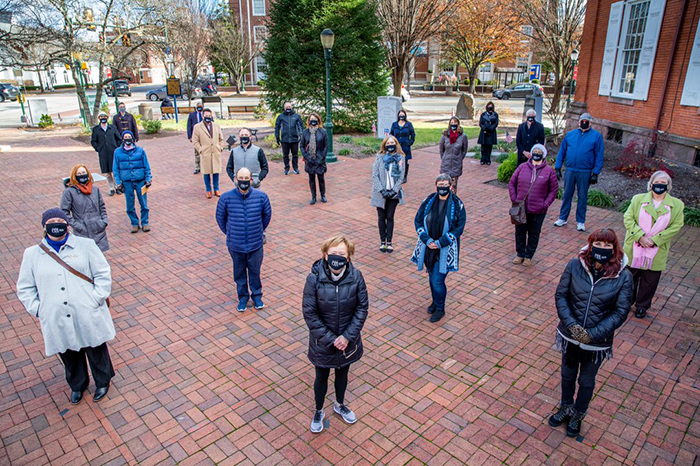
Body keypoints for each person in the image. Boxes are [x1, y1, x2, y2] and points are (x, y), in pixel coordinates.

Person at [16, 208, 116, 404]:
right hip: (56, 314)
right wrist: (38, 309)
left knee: (95, 347)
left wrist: (96, 298)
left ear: (67, 224)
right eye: (51, 221)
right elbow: (25, 287)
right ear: (44, 227)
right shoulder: (32, 254)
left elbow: (102, 273)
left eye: (59, 220)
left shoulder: (85, 246)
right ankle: (78, 385)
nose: (55, 224)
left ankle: (102, 381)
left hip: (86, 309)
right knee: (68, 352)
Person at [550, 228, 633, 437]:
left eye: (607, 245)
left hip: (596, 343)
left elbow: (620, 311)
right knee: (567, 375)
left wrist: (592, 334)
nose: (601, 249)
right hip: (570, 335)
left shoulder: (624, 276)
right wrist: (572, 326)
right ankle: (565, 407)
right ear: (590, 244)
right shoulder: (574, 265)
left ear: (614, 249)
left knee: (586, 381)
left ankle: (578, 413)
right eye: (598, 243)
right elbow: (561, 295)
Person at [302, 236, 369, 433]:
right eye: (333, 254)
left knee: (343, 374)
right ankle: (319, 410)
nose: (337, 258)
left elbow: (362, 308)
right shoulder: (313, 279)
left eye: (342, 254)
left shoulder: (356, 277)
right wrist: (332, 339)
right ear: (325, 255)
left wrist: (347, 337)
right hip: (323, 343)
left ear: (348, 258)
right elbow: (310, 313)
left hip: (348, 341)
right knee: (321, 377)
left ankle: (339, 404)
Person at [623, 171, 685, 319]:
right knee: (629, 278)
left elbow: (676, 225)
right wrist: (640, 236)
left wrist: (655, 240)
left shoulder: (677, 205)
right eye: (657, 182)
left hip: (656, 249)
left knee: (650, 281)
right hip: (635, 246)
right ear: (651, 184)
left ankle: (642, 306)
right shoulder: (638, 199)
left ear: (668, 186)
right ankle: (625, 303)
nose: (660, 185)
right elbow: (628, 218)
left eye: (664, 183)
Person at [411, 174, 466, 323]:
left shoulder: (457, 204)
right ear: (436, 187)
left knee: (437, 279)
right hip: (428, 247)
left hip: (445, 248)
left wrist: (441, 242)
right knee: (431, 276)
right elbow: (418, 220)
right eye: (440, 184)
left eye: (445, 184)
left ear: (451, 187)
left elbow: (459, 228)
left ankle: (440, 308)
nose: (442, 187)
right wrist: (426, 240)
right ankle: (435, 302)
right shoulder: (428, 200)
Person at [216, 168, 272, 312]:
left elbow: (266, 217)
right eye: (241, 177)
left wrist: (258, 231)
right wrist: (230, 233)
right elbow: (220, 219)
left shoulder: (261, 197)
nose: (243, 181)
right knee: (239, 273)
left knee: (255, 272)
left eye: (246, 178)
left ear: (251, 180)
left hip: (255, 244)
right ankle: (242, 298)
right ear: (236, 179)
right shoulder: (226, 198)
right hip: (236, 245)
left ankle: (257, 296)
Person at [508, 144, 558, 266]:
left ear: (543, 154)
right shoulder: (522, 167)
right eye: (534, 151)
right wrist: (514, 199)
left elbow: (554, 190)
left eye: (539, 151)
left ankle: (529, 256)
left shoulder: (549, 171)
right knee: (519, 231)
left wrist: (545, 204)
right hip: (520, 207)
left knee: (533, 233)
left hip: (538, 209)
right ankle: (520, 254)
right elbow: (512, 183)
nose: (536, 153)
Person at [554, 113, 604, 232]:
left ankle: (580, 221)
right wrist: (557, 168)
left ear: (591, 123)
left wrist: (596, 173)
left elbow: (599, 155)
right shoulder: (570, 135)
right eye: (582, 120)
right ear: (579, 122)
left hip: (585, 171)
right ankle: (562, 218)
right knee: (567, 195)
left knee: (582, 197)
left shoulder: (596, 137)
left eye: (587, 121)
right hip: (570, 170)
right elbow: (562, 152)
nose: (584, 122)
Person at [60, 164, 109, 252]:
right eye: (79, 173)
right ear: (74, 176)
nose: (82, 175)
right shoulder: (69, 192)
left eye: (83, 172)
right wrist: (77, 226)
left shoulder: (95, 189)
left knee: (99, 259)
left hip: (98, 229)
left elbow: (102, 206)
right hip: (82, 231)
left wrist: (104, 221)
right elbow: (64, 212)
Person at [370, 136, 406, 253]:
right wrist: (382, 190)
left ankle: (389, 242)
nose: (390, 144)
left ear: (396, 144)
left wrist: (394, 191)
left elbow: (401, 176)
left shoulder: (400, 158)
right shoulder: (379, 157)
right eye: (388, 143)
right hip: (380, 192)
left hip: (393, 193)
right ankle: (382, 241)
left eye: (392, 142)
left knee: (390, 216)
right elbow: (375, 175)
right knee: (381, 217)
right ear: (384, 145)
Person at [113, 130, 152, 233]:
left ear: (133, 138)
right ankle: (135, 223)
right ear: (122, 139)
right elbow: (115, 169)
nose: (127, 139)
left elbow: (146, 166)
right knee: (129, 205)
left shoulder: (140, 151)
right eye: (125, 137)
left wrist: (148, 178)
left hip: (140, 181)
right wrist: (118, 182)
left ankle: (145, 223)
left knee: (143, 203)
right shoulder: (117, 152)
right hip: (127, 182)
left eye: (129, 136)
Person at [192, 108, 225, 198]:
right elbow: (195, 141)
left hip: (215, 152)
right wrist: (201, 149)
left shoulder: (216, 126)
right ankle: (208, 190)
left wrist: (220, 147)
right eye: (206, 116)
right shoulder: (197, 127)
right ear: (202, 116)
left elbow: (221, 139)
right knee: (206, 172)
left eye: (209, 116)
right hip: (205, 153)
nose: (208, 117)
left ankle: (216, 189)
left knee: (216, 172)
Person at [90, 111, 121, 196]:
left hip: (113, 152)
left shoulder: (113, 128)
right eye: (101, 117)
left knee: (115, 170)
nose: (103, 118)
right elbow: (93, 141)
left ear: (107, 118)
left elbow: (119, 139)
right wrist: (98, 148)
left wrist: (117, 148)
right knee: (107, 172)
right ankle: (111, 188)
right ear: (99, 118)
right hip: (103, 153)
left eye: (104, 116)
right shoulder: (96, 129)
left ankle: (118, 187)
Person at [300, 113, 328, 205]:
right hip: (310, 160)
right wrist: (306, 157)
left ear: (318, 120)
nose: (313, 120)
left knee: (321, 179)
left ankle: (323, 195)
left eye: (315, 119)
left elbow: (326, 146)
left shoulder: (322, 131)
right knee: (311, 179)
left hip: (320, 159)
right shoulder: (305, 132)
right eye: (311, 119)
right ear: (308, 120)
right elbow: (302, 146)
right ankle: (313, 197)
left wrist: (322, 157)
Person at [438, 117, 469, 192]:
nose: (453, 124)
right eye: (452, 122)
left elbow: (464, 150)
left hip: (456, 165)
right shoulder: (444, 135)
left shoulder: (463, 137)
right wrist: (444, 158)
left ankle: (452, 202)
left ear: (458, 124)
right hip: (446, 164)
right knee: (444, 187)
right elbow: (441, 149)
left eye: (455, 122)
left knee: (453, 188)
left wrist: (459, 158)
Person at [275, 102, 304, 175]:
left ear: (292, 107)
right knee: (285, 155)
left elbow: (301, 126)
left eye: (289, 106)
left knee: (295, 155)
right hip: (284, 140)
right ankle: (287, 168)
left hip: (294, 139)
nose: (288, 108)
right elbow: (277, 127)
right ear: (284, 108)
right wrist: (277, 137)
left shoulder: (297, 116)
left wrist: (301, 135)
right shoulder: (280, 117)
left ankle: (295, 168)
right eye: (287, 106)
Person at [390, 109, 415, 183]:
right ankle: (396, 175)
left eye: (403, 115)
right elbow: (391, 134)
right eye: (400, 115)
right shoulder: (394, 124)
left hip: (405, 147)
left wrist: (410, 142)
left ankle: (404, 176)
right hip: (396, 146)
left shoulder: (408, 124)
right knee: (396, 161)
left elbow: (412, 134)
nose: (401, 116)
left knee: (405, 162)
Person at [187, 102, 204, 174]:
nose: (200, 107)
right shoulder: (192, 115)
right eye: (198, 106)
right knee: (197, 152)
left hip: (204, 136)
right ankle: (197, 167)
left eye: (201, 106)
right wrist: (190, 136)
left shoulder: (205, 114)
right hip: (196, 136)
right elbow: (189, 126)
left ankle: (204, 166)